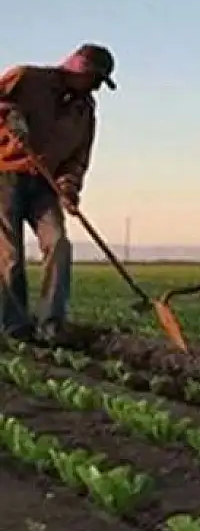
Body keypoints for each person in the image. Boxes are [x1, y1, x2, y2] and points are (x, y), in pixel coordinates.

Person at [0, 44, 114, 344]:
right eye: (95, 79)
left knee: (59, 244)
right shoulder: (27, 78)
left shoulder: (84, 111)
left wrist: (68, 187)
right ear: (79, 70)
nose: (96, 88)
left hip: (45, 184)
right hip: (5, 174)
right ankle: (15, 327)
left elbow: (78, 158)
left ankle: (51, 324)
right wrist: (9, 115)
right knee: (10, 255)